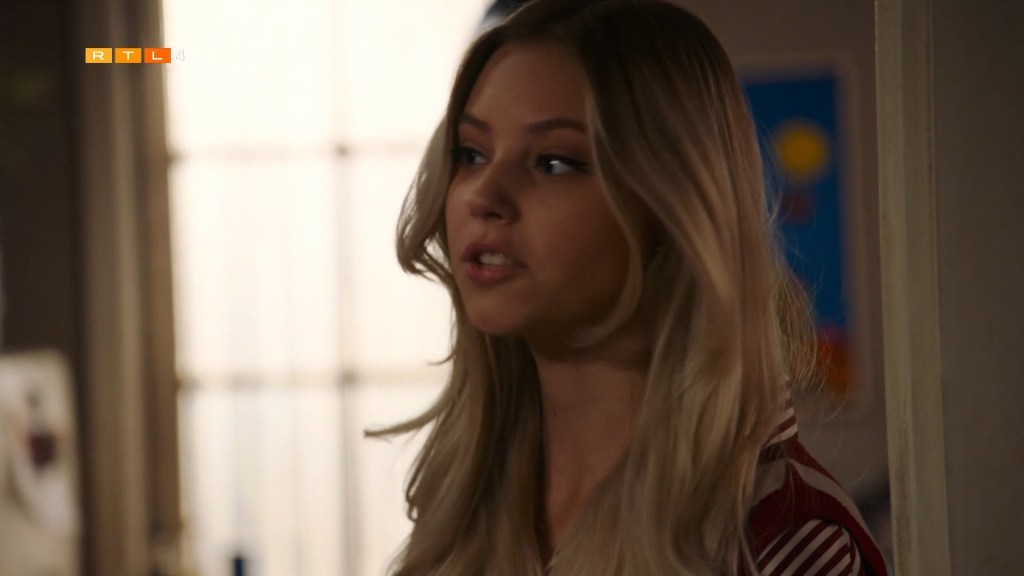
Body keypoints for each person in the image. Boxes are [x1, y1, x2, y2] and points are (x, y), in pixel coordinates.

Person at [371, 1, 888, 574]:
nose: (482, 195)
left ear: (671, 208)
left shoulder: (784, 538)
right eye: (472, 154)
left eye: (553, 163)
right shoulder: (468, 504)